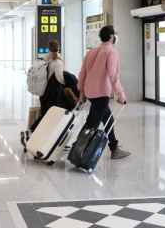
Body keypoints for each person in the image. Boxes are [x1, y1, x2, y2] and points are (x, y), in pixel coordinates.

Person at [78, 25, 131, 160]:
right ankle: (79, 150)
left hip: (90, 92)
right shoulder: (111, 52)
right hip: (101, 93)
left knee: (108, 119)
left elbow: (82, 73)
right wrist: (121, 95)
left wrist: (82, 92)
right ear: (112, 37)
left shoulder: (91, 52)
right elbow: (113, 75)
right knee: (92, 123)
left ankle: (114, 148)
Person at [30, 40, 67, 132]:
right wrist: (65, 84)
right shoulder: (58, 61)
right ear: (58, 48)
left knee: (44, 111)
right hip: (53, 92)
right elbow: (59, 78)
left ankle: (38, 131)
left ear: (49, 48)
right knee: (51, 112)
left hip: (43, 90)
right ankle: (34, 129)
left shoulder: (44, 59)